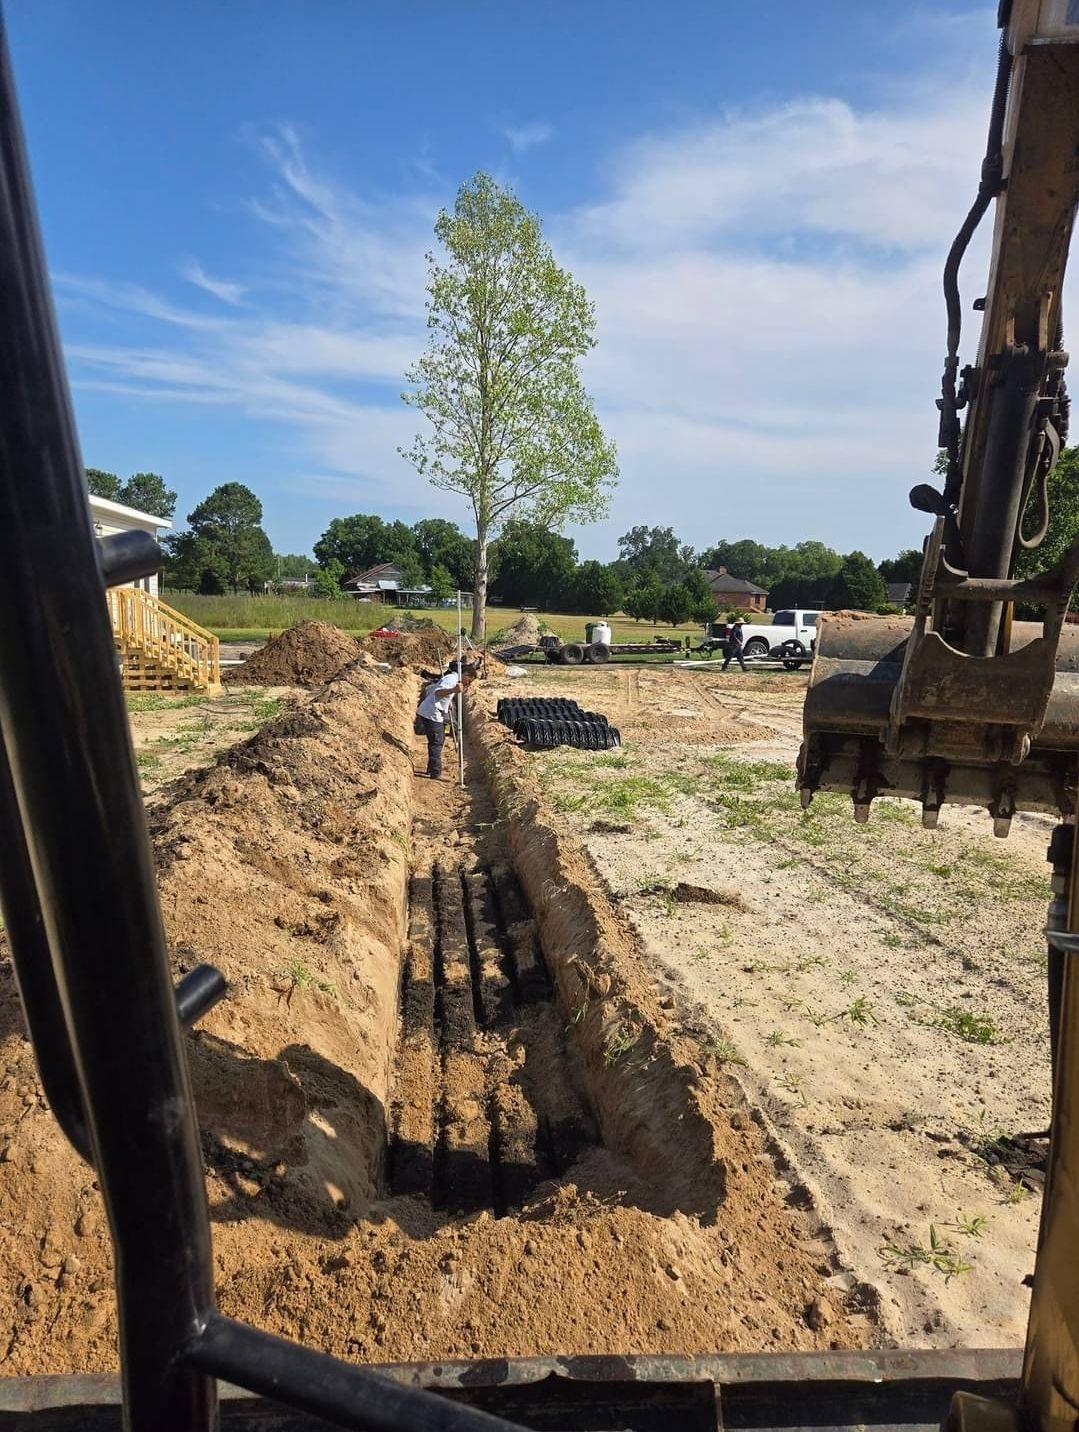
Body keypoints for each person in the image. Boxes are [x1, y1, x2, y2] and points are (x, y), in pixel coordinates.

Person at [416, 662, 476, 778]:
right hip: (432, 713)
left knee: (437, 740)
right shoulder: (452, 679)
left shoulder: (454, 679)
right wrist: (453, 690)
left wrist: (448, 703)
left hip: (433, 711)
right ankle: (435, 772)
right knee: (437, 741)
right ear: (465, 674)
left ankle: (431, 768)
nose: (468, 684)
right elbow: (438, 692)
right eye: (469, 680)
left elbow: (441, 694)